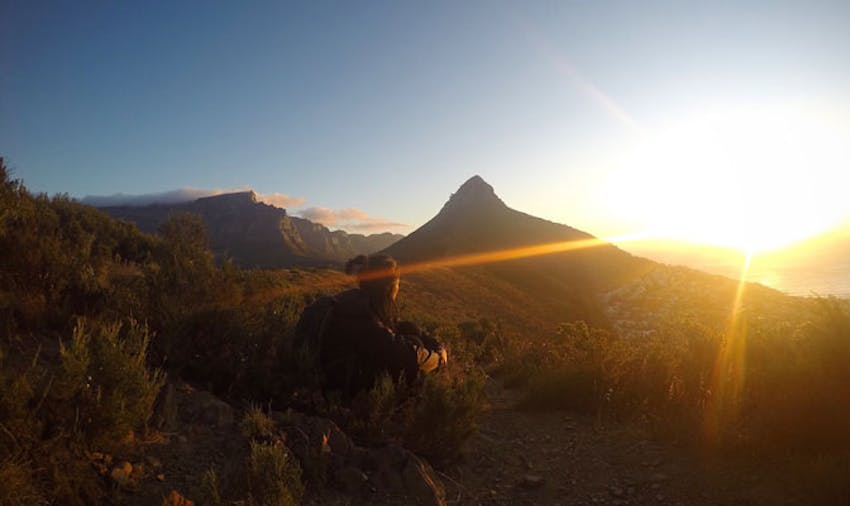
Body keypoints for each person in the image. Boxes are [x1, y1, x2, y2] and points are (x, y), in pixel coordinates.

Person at [315, 253, 447, 399]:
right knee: (414, 345)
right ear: (389, 288)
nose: (398, 289)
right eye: (398, 284)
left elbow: (396, 326)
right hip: (339, 389)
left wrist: (435, 343)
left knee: (410, 331)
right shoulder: (366, 320)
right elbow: (410, 356)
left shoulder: (356, 302)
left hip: (330, 370)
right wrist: (439, 358)